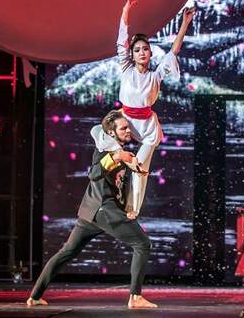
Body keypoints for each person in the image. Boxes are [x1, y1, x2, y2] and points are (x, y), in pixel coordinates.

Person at [27, 110, 157, 309]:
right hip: (103, 210)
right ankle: (135, 297)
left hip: (92, 212)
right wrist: (116, 156)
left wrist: (128, 209)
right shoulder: (104, 149)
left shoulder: (121, 152)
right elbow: (94, 173)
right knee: (142, 244)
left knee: (67, 252)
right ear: (111, 133)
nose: (128, 131)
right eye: (123, 128)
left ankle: (35, 296)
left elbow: (119, 186)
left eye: (128, 127)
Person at [90, 0, 195, 218]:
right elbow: (121, 41)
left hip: (147, 129)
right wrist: (125, 11)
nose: (141, 53)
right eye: (137, 50)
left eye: (145, 49)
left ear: (150, 53)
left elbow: (174, 51)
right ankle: (106, 187)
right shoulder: (126, 69)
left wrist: (185, 23)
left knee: (139, 168)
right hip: (125, 122)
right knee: (98, 131)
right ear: (132, 54)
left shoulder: (155, 76)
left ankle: (133, 209)